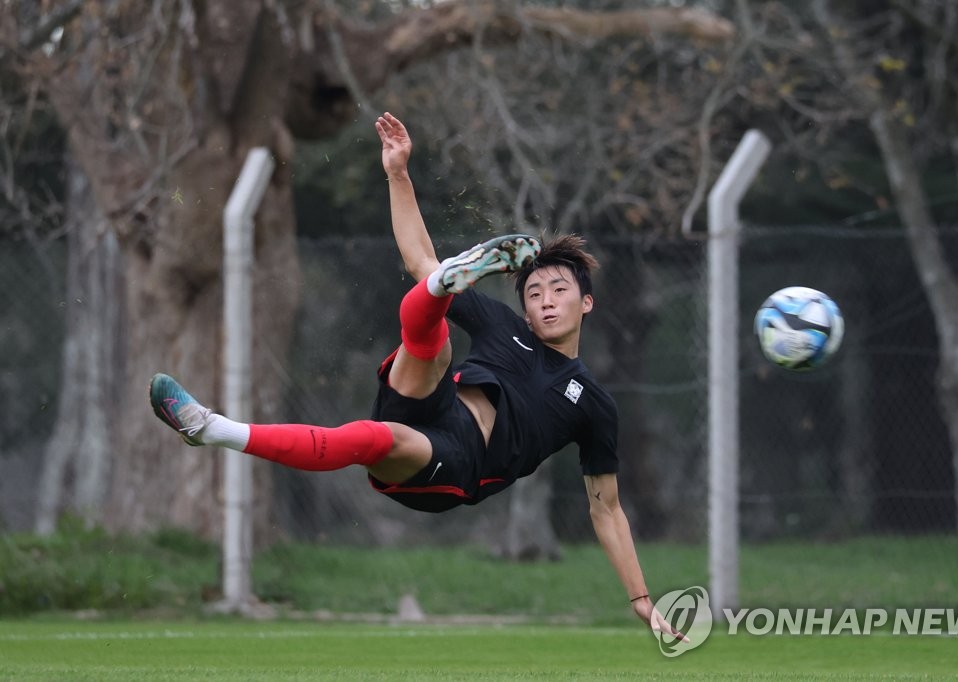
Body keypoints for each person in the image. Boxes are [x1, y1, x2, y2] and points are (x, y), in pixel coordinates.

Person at [150, 112, 685, 640]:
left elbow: (607, 510)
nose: (545, 301)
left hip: (459, 462)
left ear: (586, 303)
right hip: (435, 403)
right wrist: (399, 173)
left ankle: (211, 427)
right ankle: (446, 283)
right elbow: (417, 256)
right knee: (431, 333)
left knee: (370, 436)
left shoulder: (592, 402)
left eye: (559, 291)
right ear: (522, 306)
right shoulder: (504, 328)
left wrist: (641, 598)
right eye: (534, 292)